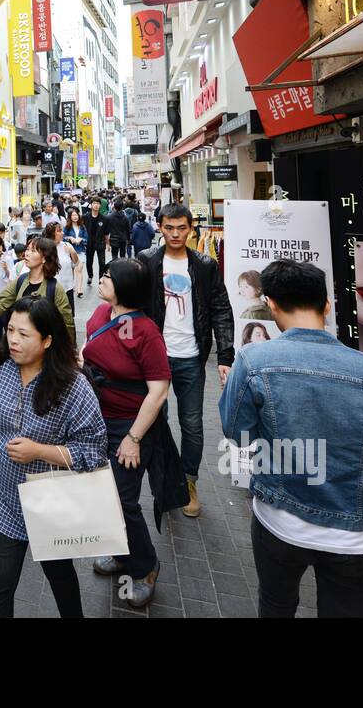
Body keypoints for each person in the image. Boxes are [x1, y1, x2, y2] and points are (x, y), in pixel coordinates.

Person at [220, 260, 363, 618]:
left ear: (272, 306)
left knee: (276, 605)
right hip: (354, 534)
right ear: (327, 305)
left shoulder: (253, 362)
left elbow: (238, 434)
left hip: (280, 521)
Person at [0, 297, 107, 617]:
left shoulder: (73, 385)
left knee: (60, 578)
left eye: (23, 334)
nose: (12, 339)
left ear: (47, 340)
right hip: (3, 501)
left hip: (51, 503)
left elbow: (94, 451)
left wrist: (39, 451)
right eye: (10, 330)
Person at [83, 258, 183, 609]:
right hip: (97, 419)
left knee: (123, 499)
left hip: (132, 425)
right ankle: (119, 552)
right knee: (102, 492)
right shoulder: (99, 314)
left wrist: (134, 438)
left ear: (125, 286)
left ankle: (145, 564)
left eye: (108, 277)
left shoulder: (146, 332)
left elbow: (158, 392)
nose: (102, 279)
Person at [137, 202, 235, 518]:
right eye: (169, 227)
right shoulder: (148, 261)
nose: (176, 234)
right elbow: (134, 306)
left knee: (192, 424)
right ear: (160, 228)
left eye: (182, 228)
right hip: (156, 359)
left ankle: (189, 481)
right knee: (157, 422)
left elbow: (221, 308)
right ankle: (167, 485)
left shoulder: (205, 265)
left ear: (191, 228)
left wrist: (225, 354)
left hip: (192, 357)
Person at [0, 236, 74, 337]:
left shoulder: (55, 288)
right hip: (20, 346)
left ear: (44, 258)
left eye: (33, 250)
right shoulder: (20, 281)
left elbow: (67, 324)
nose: (27, 253)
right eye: (27, 249)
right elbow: (0, 304)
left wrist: (69, 354)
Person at [44, 221, 80, 318]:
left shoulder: (66, 245)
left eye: (62, 230)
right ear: (52, 233)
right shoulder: (45, 247)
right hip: (51, 288)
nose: (62, 233)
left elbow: (76, 263)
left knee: (68, 317)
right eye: (59, 231)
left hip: (67, 287)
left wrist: (73, 252)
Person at [64, 207, 89, 299]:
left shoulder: (82, 227)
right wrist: (70, 238)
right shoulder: (67, 227)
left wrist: (81, 239)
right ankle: (72, 286)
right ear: (70, 217)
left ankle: (79, 289)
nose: (75, 217)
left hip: (81, 251)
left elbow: (87, 239)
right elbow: (63, 238)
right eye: (73, 215)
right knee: (72, 270)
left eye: (76, 215)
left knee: (79, 269)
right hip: (70, 252)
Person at [84, 198, 108, 286]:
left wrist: (108, 244)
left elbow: (106, 233)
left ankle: (101, 278)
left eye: (98, 203)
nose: (96, 205)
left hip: (100, 243)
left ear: (100, 205)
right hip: (89, 243)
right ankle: (90, 276)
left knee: (102, 262)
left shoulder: (104, 218)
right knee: (89, 262)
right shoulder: (85, 217)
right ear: (91, 205)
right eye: (94, 203)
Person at [105, 196, 131, 265]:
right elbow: (128, 229)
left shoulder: (109, 217)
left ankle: (115, 270)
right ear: (122, 207)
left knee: (114, 256)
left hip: (113, 238)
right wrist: (128, 239)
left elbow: (106, 230)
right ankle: (123, 270)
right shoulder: (125, 218)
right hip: (123, 238)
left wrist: (107, 242)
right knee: (123, 255)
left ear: (114, 206)